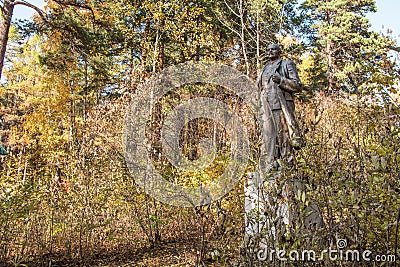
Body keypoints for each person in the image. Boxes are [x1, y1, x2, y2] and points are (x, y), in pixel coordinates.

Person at [257, 43, 304, 172]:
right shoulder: (264, 68)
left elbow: (298, 86)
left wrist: (282, 80)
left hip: (281, 105)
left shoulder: (287, 64)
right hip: (266, 107)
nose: (270, 52)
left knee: (283, 136)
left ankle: (287, 166)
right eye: (268, 50)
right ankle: (270, 164)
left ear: (279, 51)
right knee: (268, 137)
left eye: (273, 49)